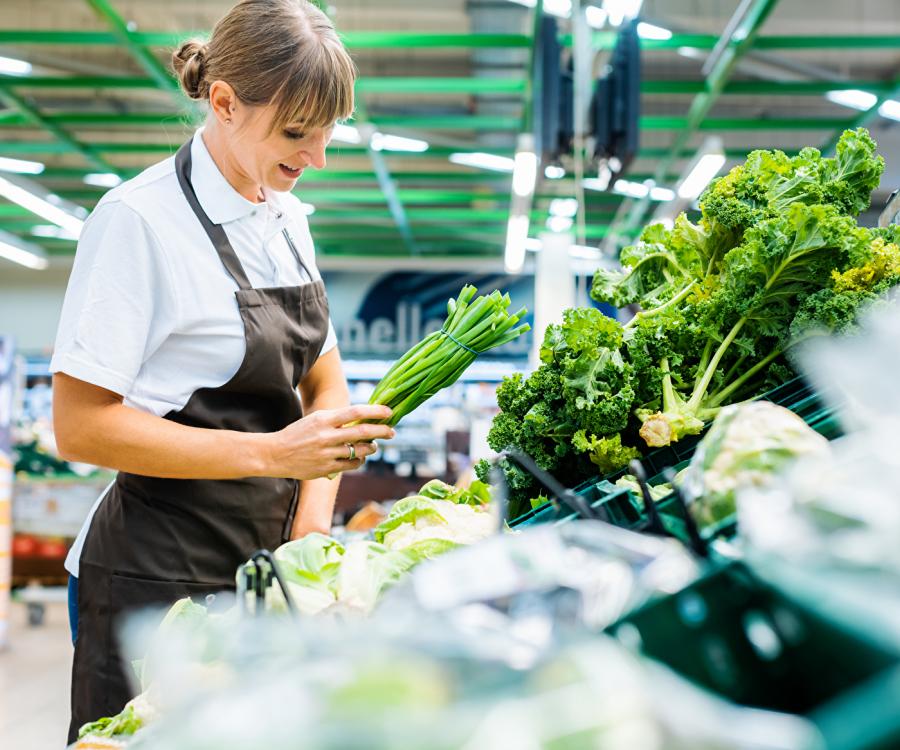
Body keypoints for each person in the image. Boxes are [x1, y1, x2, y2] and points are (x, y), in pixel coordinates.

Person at [51, 1, 393, 741]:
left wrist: (310, 524)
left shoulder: (287, 218)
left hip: (263, 577)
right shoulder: (138, 221)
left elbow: (325, 385)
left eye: (330, 129)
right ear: (225, 103)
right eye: (296, 132)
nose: (318, 156)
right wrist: (273, 454)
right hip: (151, 578)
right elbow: (79, 427)